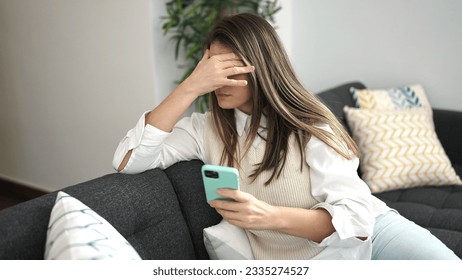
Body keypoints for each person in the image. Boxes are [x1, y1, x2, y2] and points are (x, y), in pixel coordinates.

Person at [112, 13, 459, 260]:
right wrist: (190, 87)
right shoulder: (205, 129)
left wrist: (269, 217)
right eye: (211, 71)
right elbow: (129, 161)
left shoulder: (310, 125)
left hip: (375, 235)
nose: (219, 82)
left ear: (260, 68)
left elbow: (355, 219)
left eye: (229, 70)